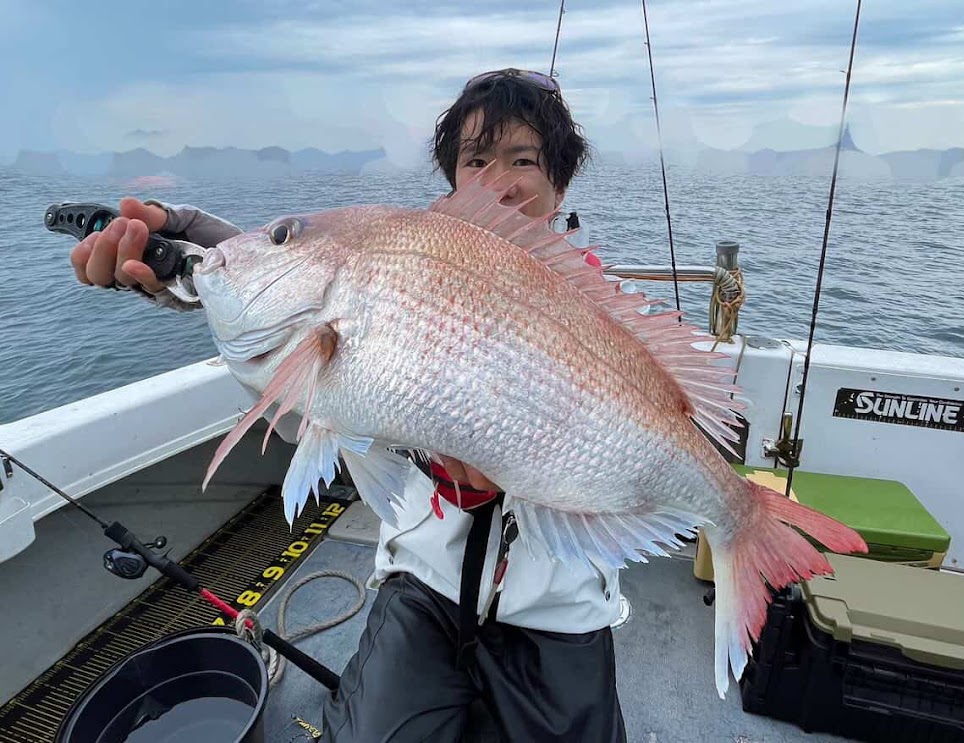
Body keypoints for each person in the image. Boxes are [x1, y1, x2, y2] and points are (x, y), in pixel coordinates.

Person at [69, 68, 627, 742]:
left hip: (560, 603)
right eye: (476, 161)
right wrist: (197, 263)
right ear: (453, 179)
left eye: (523, 160)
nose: (497, 182)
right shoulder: (414, 274)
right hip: (426, 580)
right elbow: (329, 316)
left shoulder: (604, 321)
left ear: (560, 184)